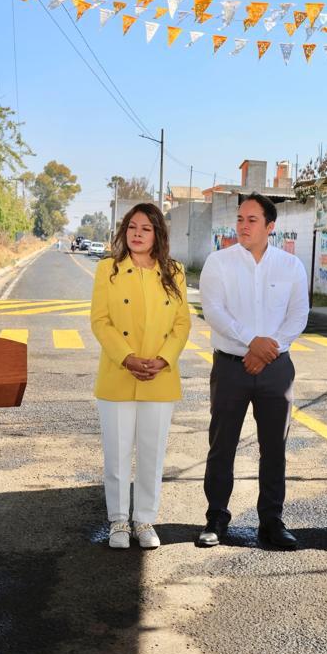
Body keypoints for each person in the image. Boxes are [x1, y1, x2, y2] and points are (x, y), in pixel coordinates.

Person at [196, 193, 309, 550]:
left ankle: (272, 521)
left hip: (276, 369)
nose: (242, 226)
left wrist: (267, 348)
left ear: (270, 227)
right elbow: (213, 310)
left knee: (274, 447)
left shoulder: (291, 267)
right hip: (231, 367)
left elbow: (298, 316)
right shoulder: (219, 262)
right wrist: (251, 343)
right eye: (240, 219)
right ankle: (216, 516)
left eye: (251, 220)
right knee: (222, 444)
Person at [90, 203, 190, 550]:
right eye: (132, 227)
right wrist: (127, 357)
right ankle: (118, 520)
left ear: (157, 234)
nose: (137, 233)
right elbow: (100, 321)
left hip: (159, 378)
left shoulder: (174, 272)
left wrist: (163, 360)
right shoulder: (108, 270)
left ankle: (144, 518)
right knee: (117, 454)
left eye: (145, 228)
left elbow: (182, 324)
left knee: (151, 454)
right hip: (118, 375)